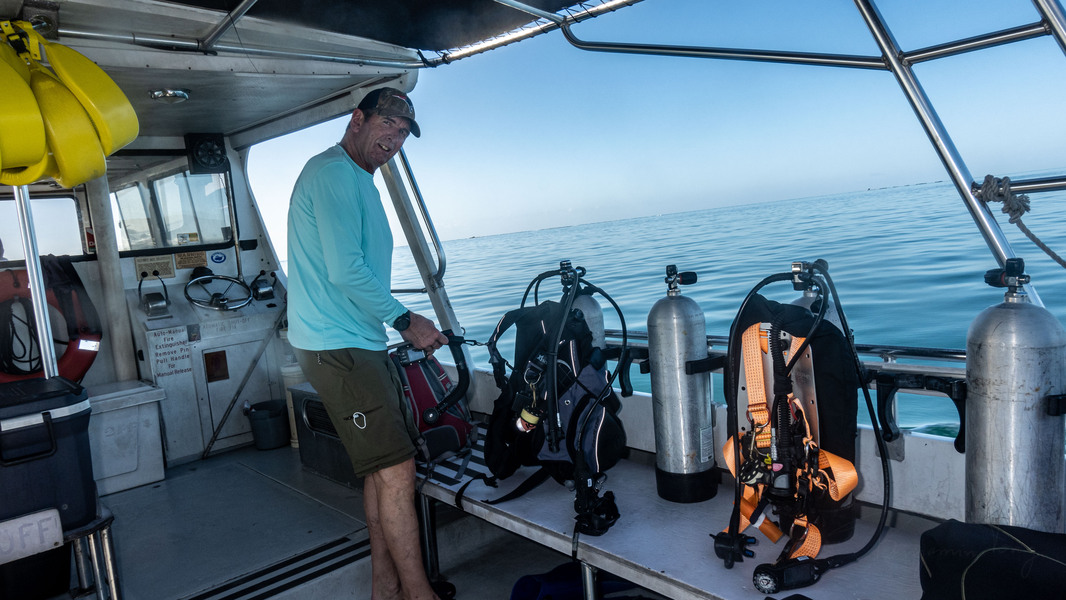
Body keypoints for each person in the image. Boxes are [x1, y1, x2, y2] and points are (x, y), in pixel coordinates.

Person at [286, 87, 450, 600]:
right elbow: (346, 270)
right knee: (397, 470)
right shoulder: (334, 173)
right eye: (387, 125)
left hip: (355, 341)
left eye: (403, 133)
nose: (394, 138)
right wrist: (406, 320)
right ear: (358, 119)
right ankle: (418, 594)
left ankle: (386, 589)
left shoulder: (357, 178)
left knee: (383, 471)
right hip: (338, 346)